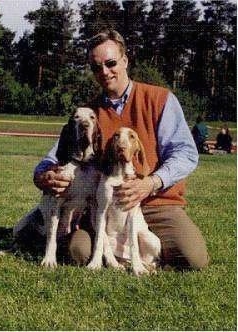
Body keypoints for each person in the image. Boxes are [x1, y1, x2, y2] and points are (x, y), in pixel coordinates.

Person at [18, 30, 209, 270]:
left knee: (193, 258)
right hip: (105, 208)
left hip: (156, 202)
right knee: (79, 252)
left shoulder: (160, 99)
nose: (105, 72)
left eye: (111, 63)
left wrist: (149, 183)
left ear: (125, 61)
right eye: (96, 67)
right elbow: (55, 154)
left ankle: (130, 253)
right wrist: (43, 175)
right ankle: (44, 228)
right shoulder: (90, 113)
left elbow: (185, 153)